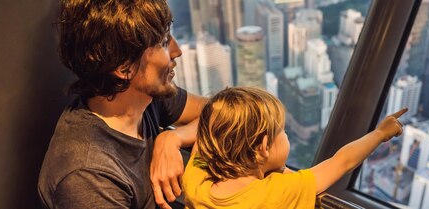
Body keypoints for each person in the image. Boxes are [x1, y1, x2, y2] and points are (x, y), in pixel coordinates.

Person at [37, 0, 206, 208]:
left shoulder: (146, 96)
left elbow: (219, 112)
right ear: (124, 68)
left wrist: (173, 138)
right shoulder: (88, 176)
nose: (176, 50)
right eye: (163, 42)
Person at [181, 87, 407, 208]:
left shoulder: (197, 180)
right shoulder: (275, 193)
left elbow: (205, 142)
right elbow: (341, 162)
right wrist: (380, 134)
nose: (286, 135)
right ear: (263, 148)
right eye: (283, 131)